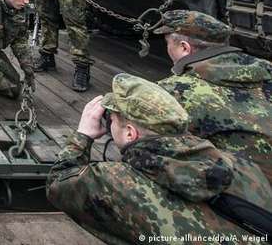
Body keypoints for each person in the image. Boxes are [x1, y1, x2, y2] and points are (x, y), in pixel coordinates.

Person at [47, 73, 272, 243]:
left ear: (130, 133)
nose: (109, 123)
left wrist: (82, 136)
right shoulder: (242, 166)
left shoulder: (115, 182)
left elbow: (58, 184)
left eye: (113, 119)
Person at [155, 9, 272, 182]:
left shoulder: (177, 90)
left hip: (255, 192)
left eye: (168, 43)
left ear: (184, 48)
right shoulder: (266, 67)